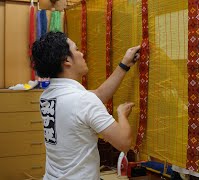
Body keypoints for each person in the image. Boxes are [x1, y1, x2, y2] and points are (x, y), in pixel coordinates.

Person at [31, 31, 141, 179]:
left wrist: (124, 64)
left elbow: (99, 95)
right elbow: (124, 143)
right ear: (67, 61)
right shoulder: (83, 100)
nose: (82, 54)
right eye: (76, 49)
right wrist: (121, 114)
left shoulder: (47, 96)